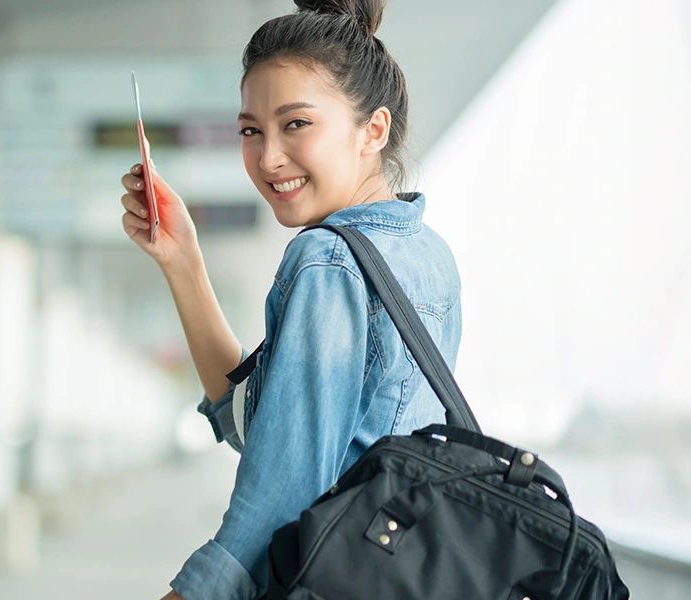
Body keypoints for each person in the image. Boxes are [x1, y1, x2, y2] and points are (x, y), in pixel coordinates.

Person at [116, 1, 461, 598]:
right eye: (251, 130)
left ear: (372, 130)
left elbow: (272, 509)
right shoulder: (428, 256)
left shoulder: (327, 260)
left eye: (296, 124)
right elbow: (272, 425)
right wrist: (184, 260)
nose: (268, 157)